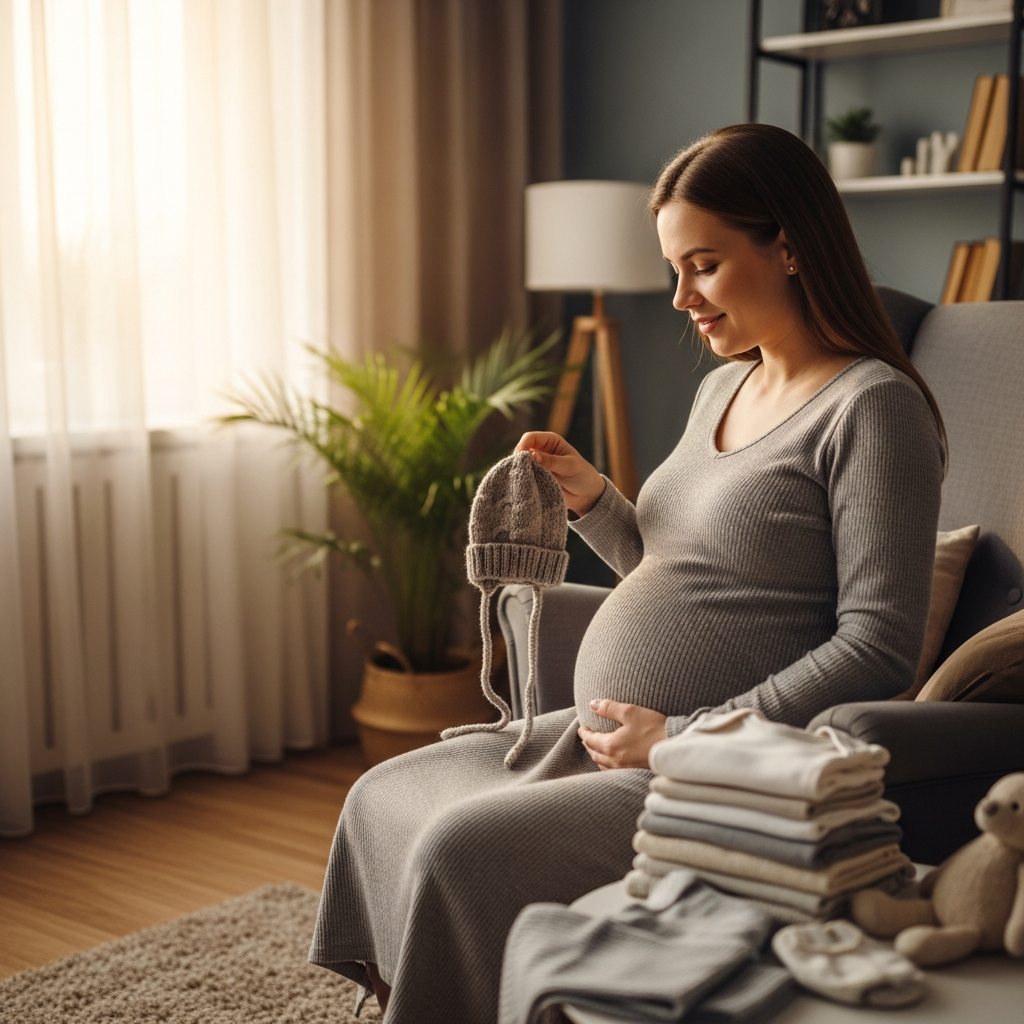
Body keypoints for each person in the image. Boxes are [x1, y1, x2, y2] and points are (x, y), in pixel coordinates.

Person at [309, 123, 946, 1024]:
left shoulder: (871, 409)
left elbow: (879, 649)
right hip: (603, 736)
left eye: (705, 265)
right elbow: (672, 565)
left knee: (459, 848)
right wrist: (596, 500)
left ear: (791, 247)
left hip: (706, 769)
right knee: (383, 792)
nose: (681, 296)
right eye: (674, 268)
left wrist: (683, 738)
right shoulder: (723, 386)